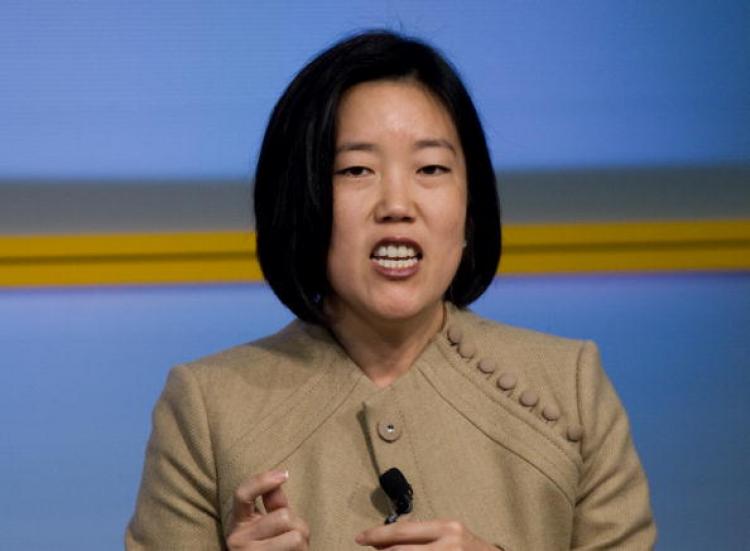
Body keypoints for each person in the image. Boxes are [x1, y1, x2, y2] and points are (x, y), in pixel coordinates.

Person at [126, 31, 656, 550]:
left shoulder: (569, 391)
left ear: (470, 209)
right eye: (356, 170)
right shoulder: (208, 409)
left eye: (431, 168)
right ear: (302, 199)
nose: (397, 204)